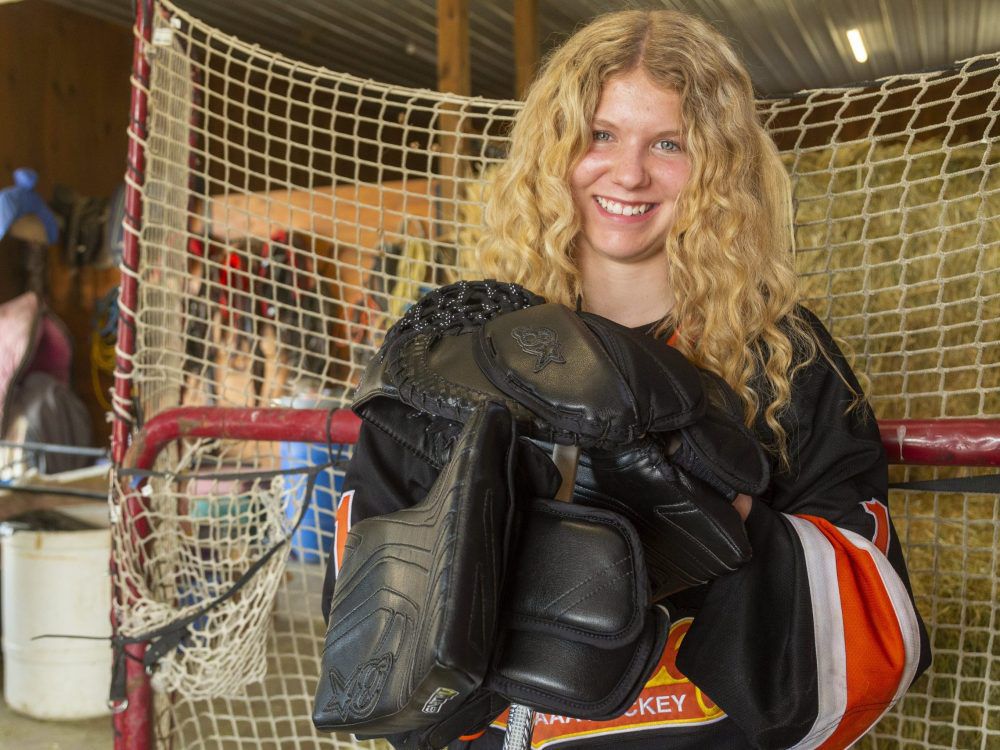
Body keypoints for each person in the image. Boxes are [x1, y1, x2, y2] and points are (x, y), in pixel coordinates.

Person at [321, 9, 930, 749]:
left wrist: (723, 516)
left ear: (718, 168)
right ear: (554, 151)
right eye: (601, 134)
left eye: (668, 143)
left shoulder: (785, 359)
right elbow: (370, 662)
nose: (630, 171)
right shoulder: (455, 358)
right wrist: (473, 553)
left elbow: (873, 649)